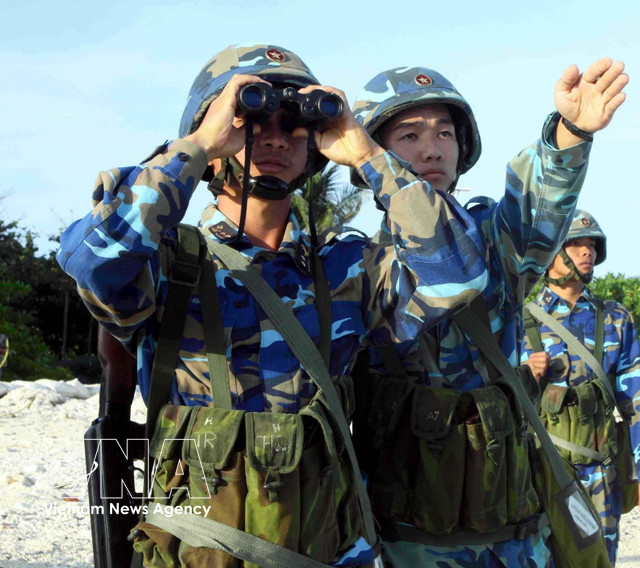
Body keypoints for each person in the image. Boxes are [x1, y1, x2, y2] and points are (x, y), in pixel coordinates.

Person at [57, 44, 488, 567]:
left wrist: (370, 157)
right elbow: (91, 258)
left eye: (293, 125)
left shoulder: (345, 270)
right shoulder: (167, 265)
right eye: (253, 120)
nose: (276, 138)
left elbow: (458, 275)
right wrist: (195, 147)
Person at [350, 61, 627, 568]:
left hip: (512, 534)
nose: (432, 148)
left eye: (445, 133)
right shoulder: (352, 265)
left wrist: (571, 133)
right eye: (408, 135)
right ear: (368, 152)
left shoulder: (493, 239)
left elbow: (540, 206)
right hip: (403, 542)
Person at [518, 209, 640, 565]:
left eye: (592, 246)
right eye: (576, 245)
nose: (588, 253)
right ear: (550, 254)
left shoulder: (614, 318)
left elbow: (638, 399)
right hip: (540, 475)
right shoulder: (519, 319)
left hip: (601, 474)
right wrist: (521, 373)